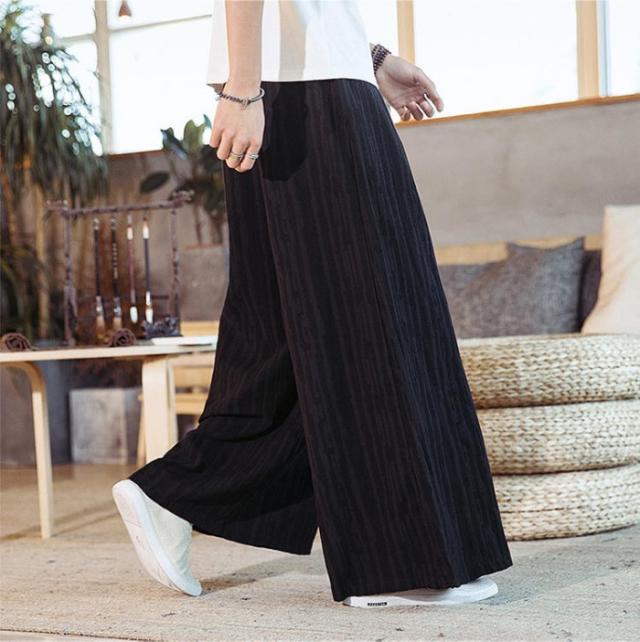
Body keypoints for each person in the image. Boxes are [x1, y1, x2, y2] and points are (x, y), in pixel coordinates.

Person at [113, 0, 513, 608]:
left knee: (290, 329)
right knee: (370, 322)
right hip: (295, 93)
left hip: (311, 82)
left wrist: (368, 56)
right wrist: (244, 90)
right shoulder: (264, 88)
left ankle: (178, 492)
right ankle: (395, 563)